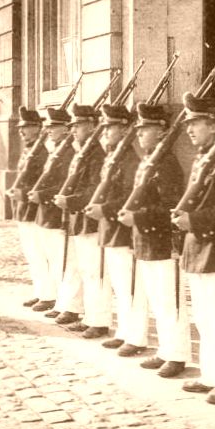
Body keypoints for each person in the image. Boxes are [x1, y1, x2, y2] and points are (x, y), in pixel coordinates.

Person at [171, 92, 215, 405]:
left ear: (214, 127)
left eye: (196, 123)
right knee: (204, 318)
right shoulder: (203, 159)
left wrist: (193, 220)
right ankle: (211, 374)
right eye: (188, 123)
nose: (189, 129)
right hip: (197, 249)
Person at [118, 103, 188, 371]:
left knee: (169, 300)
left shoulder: (167, 163)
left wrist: (138, 218)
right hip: (145, 240)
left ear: (161, 132)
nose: (139, 134)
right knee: (158, 299)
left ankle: (177, 355)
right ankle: (165, 349)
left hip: (161, 240)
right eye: (138, 129)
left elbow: (169, 206)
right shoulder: (148, 160)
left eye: (145, 129)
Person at [81, 104, 141, 341]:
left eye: (111, 128)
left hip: (121, 230)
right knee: (118, 283)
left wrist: (104, 209)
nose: (105, 132)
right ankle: (125, 332)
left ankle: (133, 335)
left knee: (127, 287)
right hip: (110, 228)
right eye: (104, 128)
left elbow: (127, 196)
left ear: (125, 131)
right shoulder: (112, 159)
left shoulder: (129, 161)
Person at [53, 103, 104, 325]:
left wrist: (71, 201)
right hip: (78, 219)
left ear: (92, 126)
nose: (74, 130)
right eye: (73, 126)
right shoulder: (81, 152)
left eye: (79, 125)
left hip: (90, 220)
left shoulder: (96, 154)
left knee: (93, 273)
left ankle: (97, 320)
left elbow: (94, 189)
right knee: (83, 269)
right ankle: (84, 313)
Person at [27, 107, 74, 312]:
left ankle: (63, 302)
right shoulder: (54, 150)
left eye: (54, 127)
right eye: (48, 127)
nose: (49, 130)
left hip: (56, 213)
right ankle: (55, 297)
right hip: (46, 213)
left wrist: (43, 196)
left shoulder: (69, 152)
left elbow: (64, 185)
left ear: (66, 129)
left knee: (61, 261)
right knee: (51, 259)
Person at [6, 106, 49, 308]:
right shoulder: (29, 150)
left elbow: (43, 182)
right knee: (32, 254)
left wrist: (22, 194)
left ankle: (49, 295)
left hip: (34, 209)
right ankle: (40, 291)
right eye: (21, 127)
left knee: (41, 254)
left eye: (27, 127)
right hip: (23, 208)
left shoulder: (43, 152)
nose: (21, 131)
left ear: (38, 128)